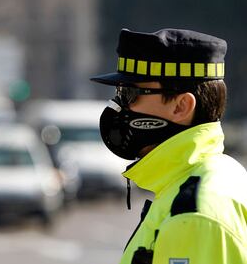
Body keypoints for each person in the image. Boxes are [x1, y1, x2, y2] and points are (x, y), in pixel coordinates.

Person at [90, 28, 247, 264]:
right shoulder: (216, 174)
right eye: (119, 93)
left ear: (181, 106)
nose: (118, 106)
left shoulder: (193, 214)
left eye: (130, 93)